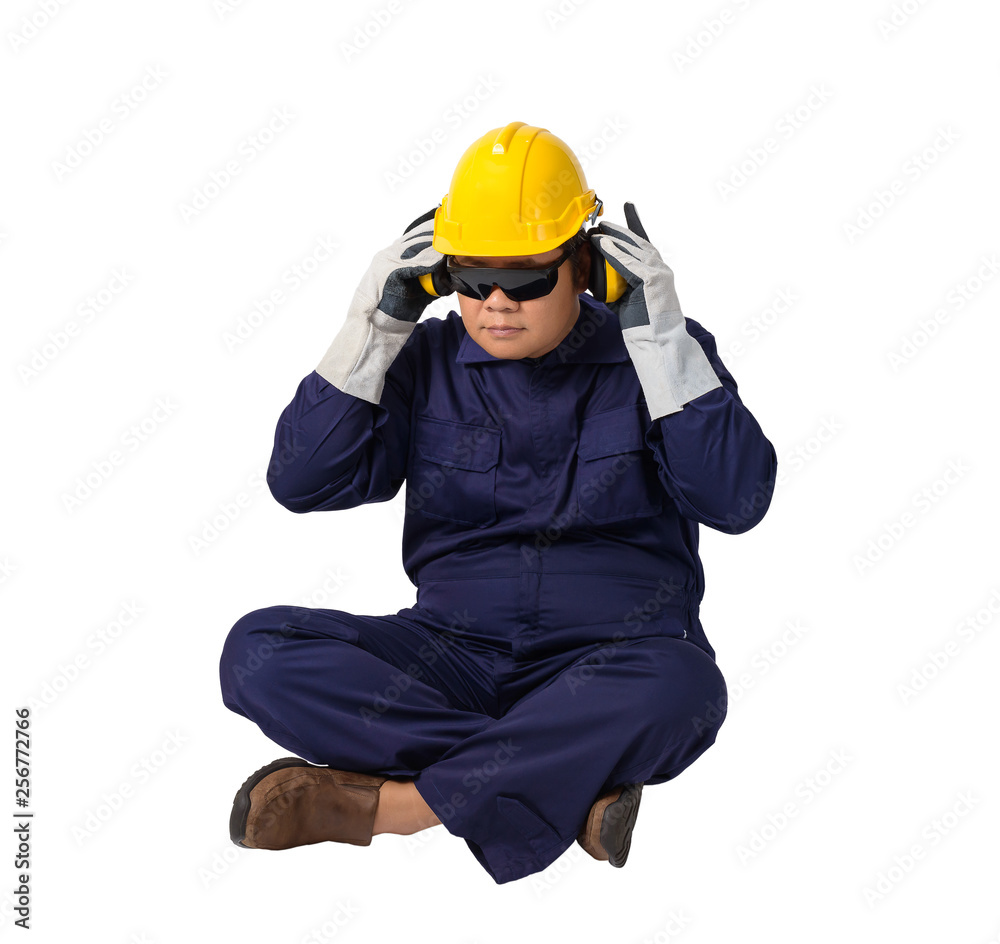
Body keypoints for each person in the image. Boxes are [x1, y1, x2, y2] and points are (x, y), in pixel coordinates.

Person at [219, 120, 778, 886]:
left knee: (685, 691)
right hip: (450, 654)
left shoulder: (663, 356)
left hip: (609, 662)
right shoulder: (424, 360)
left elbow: (736, 499)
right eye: (473, 278)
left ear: (584, 266)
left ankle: (397, 808)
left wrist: (662, 341)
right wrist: (374, 325)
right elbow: (303, 480)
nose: (496, 302)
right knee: (258, 652)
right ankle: (563, 781)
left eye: (525, 280)